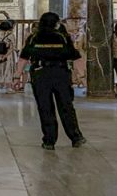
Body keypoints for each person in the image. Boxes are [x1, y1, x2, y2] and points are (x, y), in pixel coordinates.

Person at [15, 12, 87, 150]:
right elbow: (76, 57)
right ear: (56, 23)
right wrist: (82, 77)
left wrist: (16, 77)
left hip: (40, 74)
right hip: (60, 74)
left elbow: (23, 58)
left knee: (45, 108)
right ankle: (76, 137)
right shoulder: (63, 37)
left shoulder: (33, 38)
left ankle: (49, 140)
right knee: (66, 106)